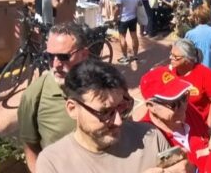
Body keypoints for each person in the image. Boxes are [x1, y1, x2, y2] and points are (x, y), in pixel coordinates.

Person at [35, 60, 177, 173]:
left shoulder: (150, 137)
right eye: (104, 112)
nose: (118, 121)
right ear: (72, 109)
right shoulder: (52, 163)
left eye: (121, 107)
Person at [19, 23, 91, 172]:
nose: (56, 64)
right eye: (50, 56)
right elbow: (30, 146)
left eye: (64, 57)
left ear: (84, 54)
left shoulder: (103, 85)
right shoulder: (34, 95)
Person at [137, 66, 209, 171]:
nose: (183, 107)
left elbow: (206, 135)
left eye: (184, 96)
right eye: (173, 104)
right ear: (151, 106)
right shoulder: (144, 141)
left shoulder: (189, 109)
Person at [169, 39, 211, 131]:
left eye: (175, 56)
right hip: (177, 126)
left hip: (199, 126)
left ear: (188, 59)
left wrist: (209, 126)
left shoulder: (205, 74)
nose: (171, 58)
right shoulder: (169, 73)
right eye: (171, 54)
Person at [185, 5, 211, 78]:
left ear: (196, 18)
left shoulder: (189, 34)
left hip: (196, 72)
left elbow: (186, 53)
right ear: (209, 18)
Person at [115, 0, 141, 65]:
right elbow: (140, 4)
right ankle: (135, 55)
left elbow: (117, 8)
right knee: (134, 36)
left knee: (122, 37)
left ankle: (125, 57)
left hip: (123, 19)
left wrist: (114, 18)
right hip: (133, 17)